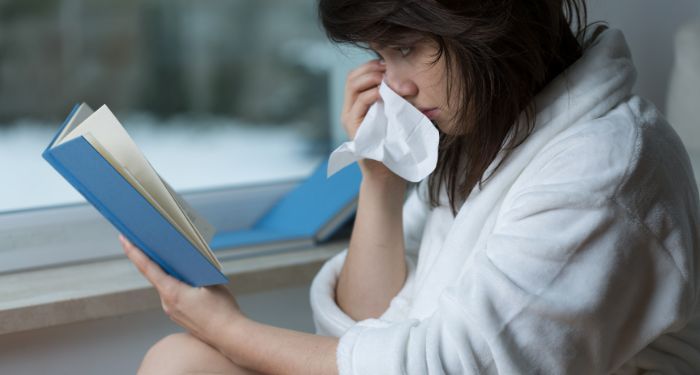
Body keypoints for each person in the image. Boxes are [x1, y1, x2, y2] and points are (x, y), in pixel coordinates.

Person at [122, 0, 700, 374]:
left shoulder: (605, 168)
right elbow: (366, 329)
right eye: (379, 55)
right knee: (181, 362)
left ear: (489, 20)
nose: (392, 86)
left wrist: (227, 328)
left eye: (405, 50)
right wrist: (381, 182)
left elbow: (446, 367)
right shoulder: (490, 135)